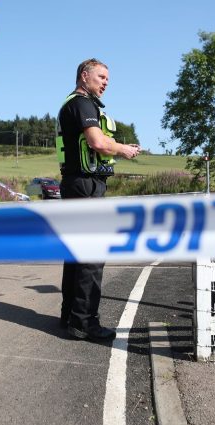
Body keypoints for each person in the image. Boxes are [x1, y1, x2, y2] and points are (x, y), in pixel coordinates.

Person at [56, 58, 140, 341]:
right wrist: (124, 150)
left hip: (75, 185)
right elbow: (97, 142)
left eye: (107, 79)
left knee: (76, 253)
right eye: (101, 77)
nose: (105, 83)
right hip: (85, 186)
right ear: (84, 76)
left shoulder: (71, 104)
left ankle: (70, 315)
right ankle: (84, 322)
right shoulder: (82, 104)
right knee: (92, 256)